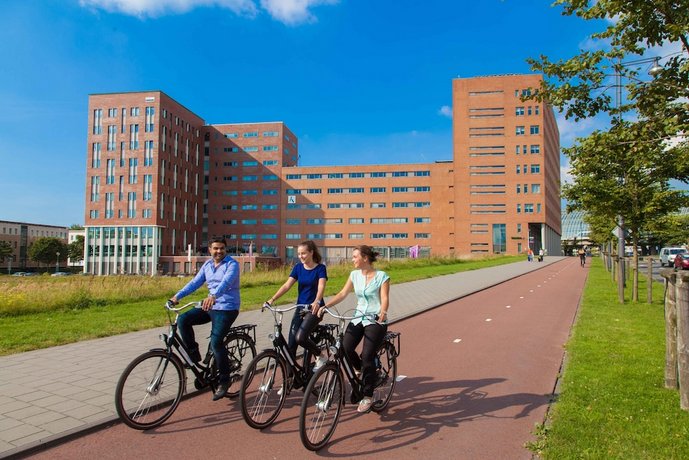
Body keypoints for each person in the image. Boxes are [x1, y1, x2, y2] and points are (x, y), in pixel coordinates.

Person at [320, 245, 390, 414]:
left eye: (355, 256)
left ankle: (367, 395)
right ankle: (362, 370)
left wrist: (383, 312)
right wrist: (325, 305)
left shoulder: (382, 276)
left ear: (365, 258)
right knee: (343, 348)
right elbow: (343, 293)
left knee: (367, 355)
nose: (352, 259)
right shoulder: (354, 275)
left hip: (375, 320)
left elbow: (385, 298)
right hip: (358, 317)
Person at [170, 236, 240, 401]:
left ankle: (224, 380)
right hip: (210, 306)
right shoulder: (208, 265)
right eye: (215, 248)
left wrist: (213, 296)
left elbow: (226, 283)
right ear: (209, 250)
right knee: (183, 320)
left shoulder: (232, 264)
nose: (218, 251)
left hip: (226, 308)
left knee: (216, 343)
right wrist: (176, 296)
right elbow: (195, 283)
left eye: (222, 248)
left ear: (225, 249)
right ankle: (194, 356)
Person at [266, 241, 328, 368]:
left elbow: (321, 286)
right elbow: (287, 285)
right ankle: (288, 381)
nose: (301, 256)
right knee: (291, 345)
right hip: (300, 308)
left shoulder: (320, 268)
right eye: (299, 254)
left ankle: (320, 355)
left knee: (301, 338)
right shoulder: (298, 268)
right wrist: (271, 300)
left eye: (303, 253)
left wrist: (316, 301)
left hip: (315, 309)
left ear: (311, 252)